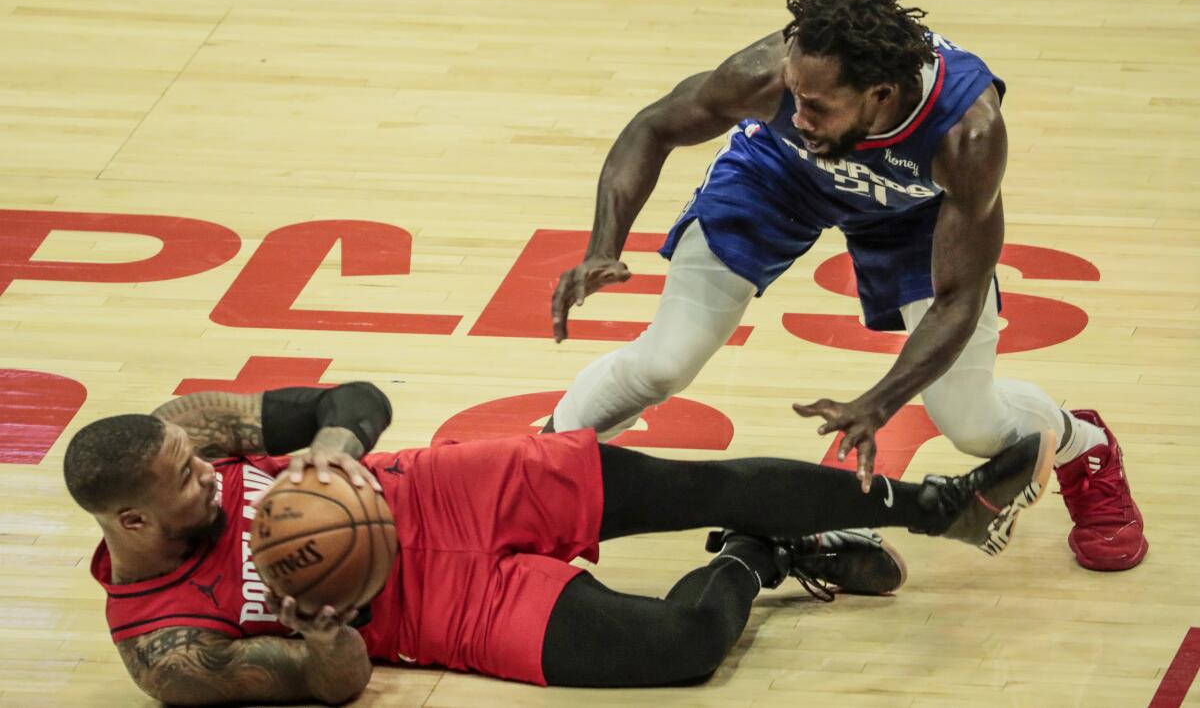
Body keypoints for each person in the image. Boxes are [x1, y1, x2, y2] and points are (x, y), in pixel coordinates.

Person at [546, 0, 1144, 572]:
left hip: (911, 214)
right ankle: (539, 465)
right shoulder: (769, 77)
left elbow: (958, 298)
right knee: (662, 362)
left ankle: (1084, 448)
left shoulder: (968, 132)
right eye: (793, 92)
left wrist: (878, 403)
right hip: (775, 180)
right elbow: (654, 126)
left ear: (881, 94)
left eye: (815, 104)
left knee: (970, 421)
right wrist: (603, 245)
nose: (797, 113)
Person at [66, 383, 1054, 704]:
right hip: (438, 612)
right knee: (679, 654)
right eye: (189, 483)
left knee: (693, 484)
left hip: (441, 494)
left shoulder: (184, 426)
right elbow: (338, 685)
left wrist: (330, 455)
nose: (205, 469)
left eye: (200, 460)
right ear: (135, 524)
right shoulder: (170, 650)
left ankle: (943, 505)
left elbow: (355, 400)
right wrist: (324, 628)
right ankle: (762, 555)